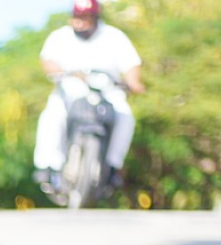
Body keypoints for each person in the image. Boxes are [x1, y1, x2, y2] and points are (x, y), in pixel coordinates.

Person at [33, 0, 146, 190]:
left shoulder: (114, 37)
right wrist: (58, 71)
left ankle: (112, 166)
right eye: (77, 17)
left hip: (107, 92)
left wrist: (133, 81)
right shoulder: (60, 37)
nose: (80, 22)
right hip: (70, 90)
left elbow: (131, 64)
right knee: (52, 116)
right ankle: (48, 166)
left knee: (126, 116)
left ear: (95, 17)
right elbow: (47, 60)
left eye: (85, 18)